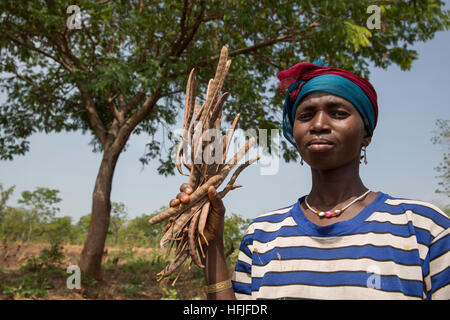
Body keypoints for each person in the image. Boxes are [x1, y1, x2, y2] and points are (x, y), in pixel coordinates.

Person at [173, 60, 450, 300]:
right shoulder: (263, 234)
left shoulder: (423, 228)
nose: (318, 124)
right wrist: (213, 245)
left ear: (366, 134)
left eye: (338, 113)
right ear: (294, 134)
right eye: (306, 115)